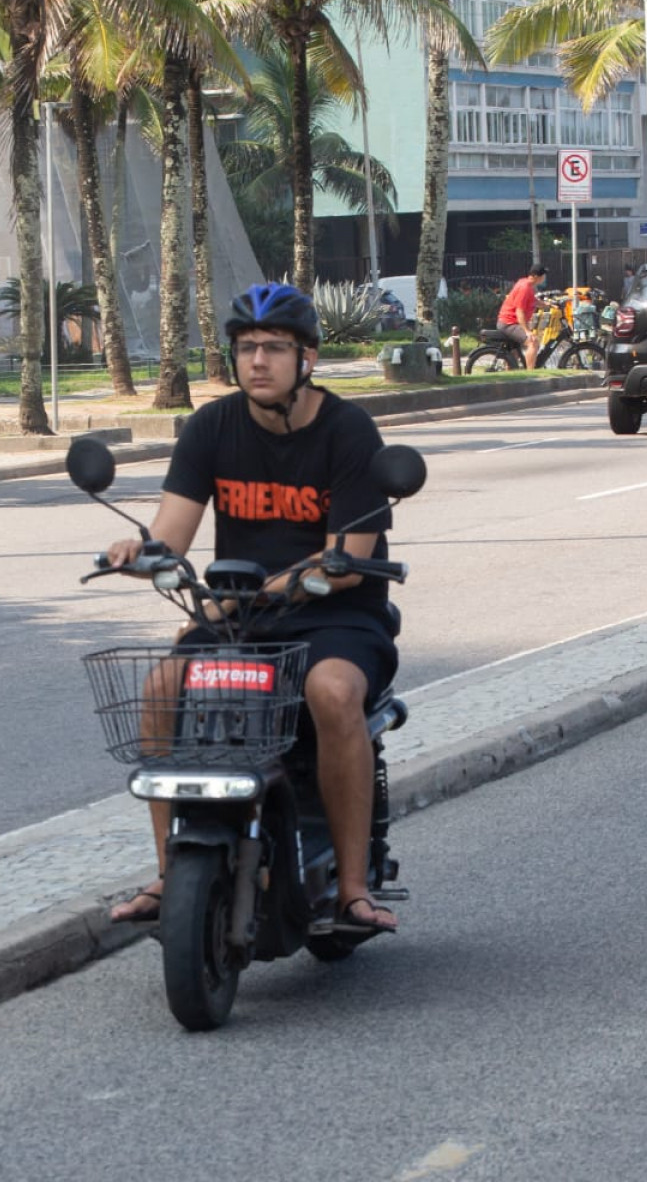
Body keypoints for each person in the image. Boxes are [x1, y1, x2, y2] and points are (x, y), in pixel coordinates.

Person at [104, 282, 403, 935]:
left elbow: (346, 557)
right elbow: (173, 534)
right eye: (246, 348)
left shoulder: (348, 431)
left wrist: (260, 590)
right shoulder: (212, 426)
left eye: (274, 347)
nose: (258, 361)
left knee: (330, 691)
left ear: (308, 359)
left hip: (336, 617)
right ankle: (168, 872)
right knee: (160, 688)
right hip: (239, 617)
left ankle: (353, 889)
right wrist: (141, 550)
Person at [496, 264, 547, 369]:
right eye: (543, 275)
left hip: (509, 322)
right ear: (536, 276)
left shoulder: (525, 283)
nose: (544, 277)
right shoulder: (525, 288)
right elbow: (520, 311)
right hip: (509, 323)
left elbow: (532, 300)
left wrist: (546, 305)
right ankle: (530, 374)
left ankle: (512, 377)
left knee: (514, 355)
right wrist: (527, 331)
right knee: (533, 342)